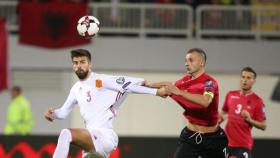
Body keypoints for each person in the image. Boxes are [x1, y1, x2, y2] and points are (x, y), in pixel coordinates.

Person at [44, 49, 167, 158]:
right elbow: (63, 112)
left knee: (66, 133)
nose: (79, 66)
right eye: (76, 63)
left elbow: (128, 87)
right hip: (92, 142)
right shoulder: (76, 88)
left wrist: (156, 92)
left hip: (104, 135)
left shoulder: (100, 80)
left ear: (90, 64)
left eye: (83, 62)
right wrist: (53, 114)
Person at [146, 48, 228, 158]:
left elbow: (205, 101)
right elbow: (169, 86)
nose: (186, 64)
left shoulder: (209, 82)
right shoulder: (185, 80)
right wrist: (149, 85)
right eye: (185, 61)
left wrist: (179, 92)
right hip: (190, 137)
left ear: (202, 63)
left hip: (212, 139)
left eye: (191, 60)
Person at [219, 67, 267, 158]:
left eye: (248, 78)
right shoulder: (230, 95)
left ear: (254, 81)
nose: (245, 80)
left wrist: (250, 120)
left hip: (243, 145)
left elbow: (263, 126)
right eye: (243, 77)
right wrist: (216, 122)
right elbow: (223, 113)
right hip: (226, 143)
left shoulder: (258, 101)